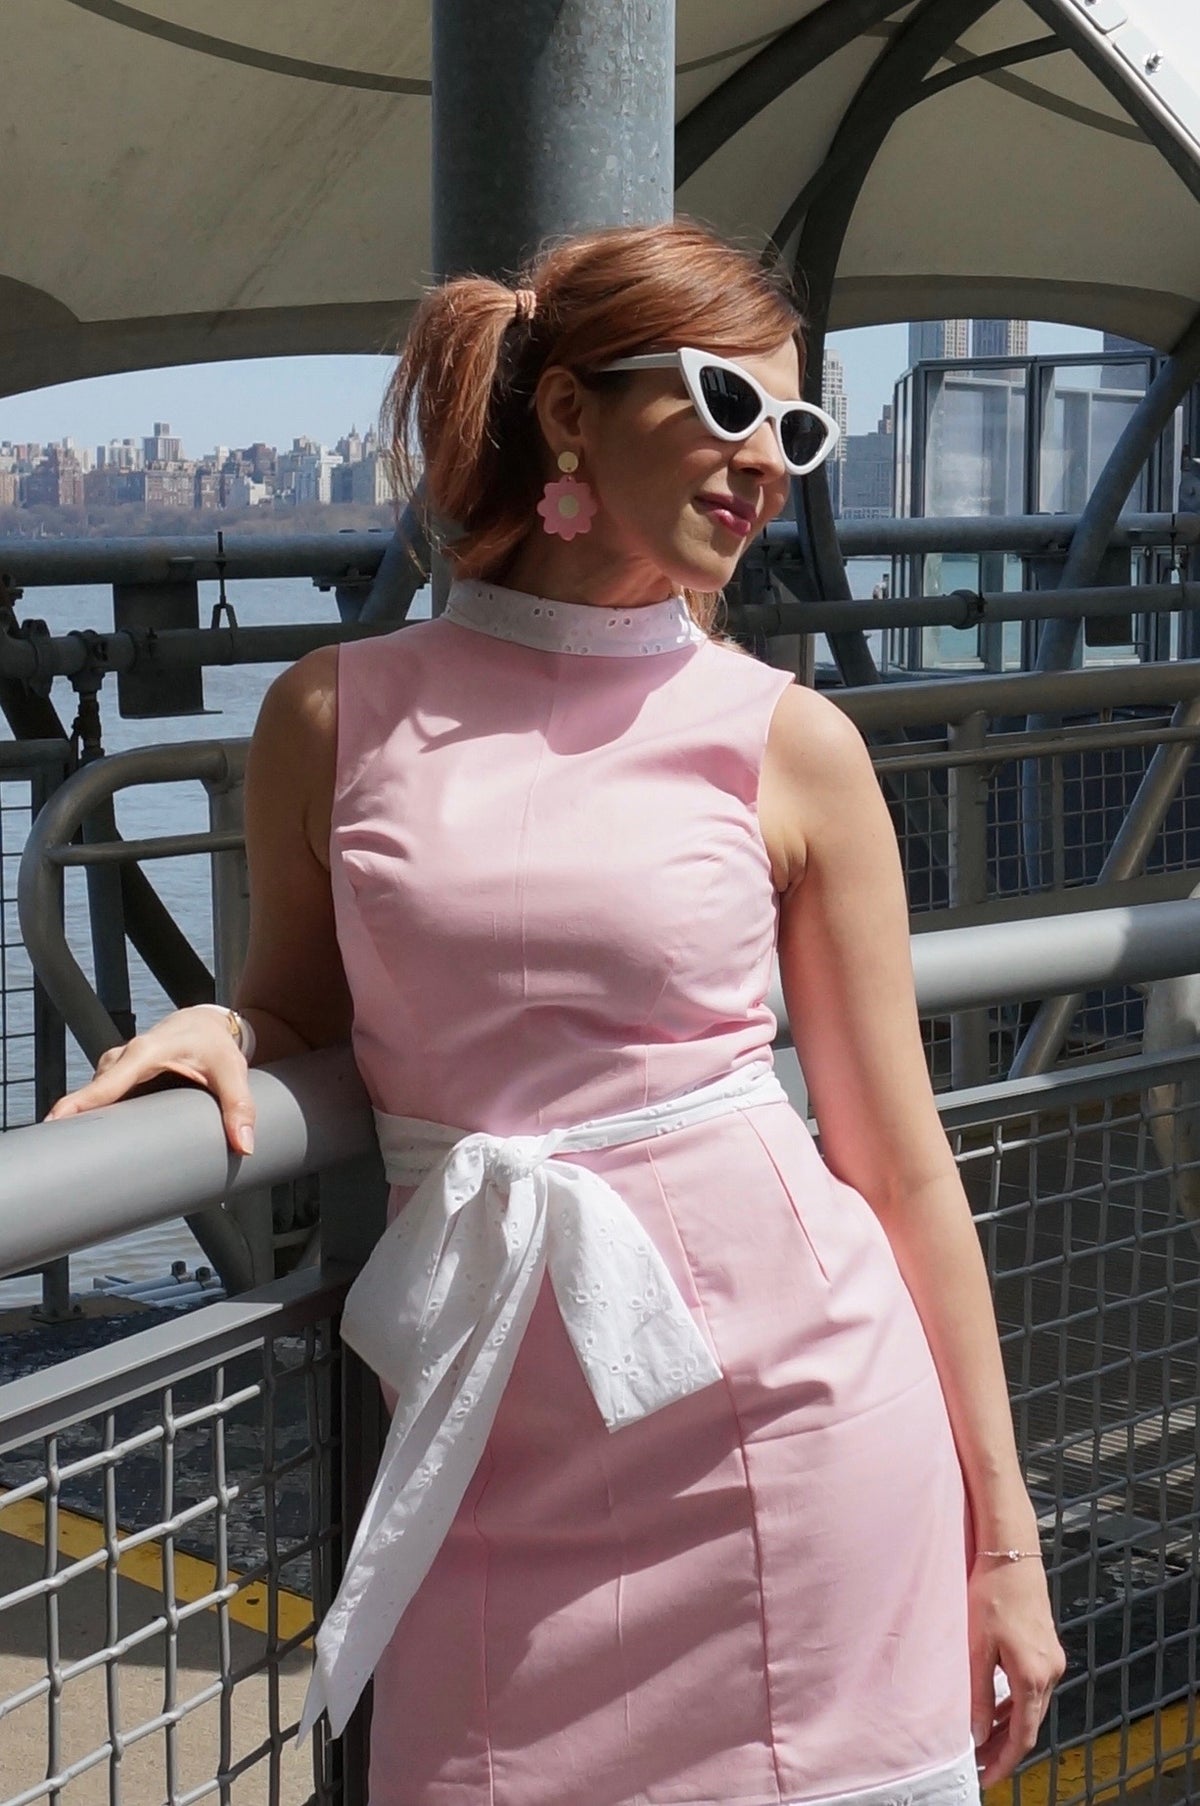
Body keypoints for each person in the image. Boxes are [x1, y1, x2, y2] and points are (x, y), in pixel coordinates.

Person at [50, 221, 1064, 1806]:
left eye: (797, 431)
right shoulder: (330, 715)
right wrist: (222, 1035)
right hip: (486, 1456)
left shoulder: (792, 745)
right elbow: (299, 1004)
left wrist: (1006, 1541)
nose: (767, 463)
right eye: (729, 404)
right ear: (569, 414)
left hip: (796, 1443)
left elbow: (904, 1167)